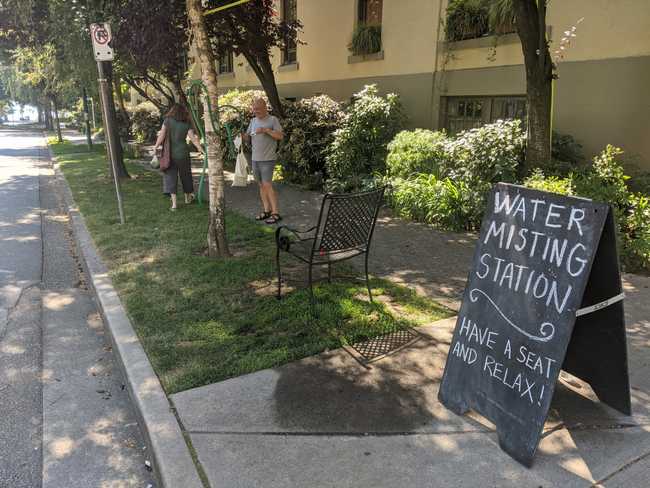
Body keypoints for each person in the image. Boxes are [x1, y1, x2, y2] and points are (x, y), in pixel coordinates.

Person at [242, 98, 284, 224]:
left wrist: (266, 130)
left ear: (265, 108)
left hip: (268, 159)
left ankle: (275, 213)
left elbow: (280, 136)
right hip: (255, 159)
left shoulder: (273, 120)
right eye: (254, 109)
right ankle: (267, 211)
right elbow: (247, 138)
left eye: (258, 109)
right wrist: (242, 136)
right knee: (260, 185)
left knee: (267, 185)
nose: (256, 111)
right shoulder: (253, 121)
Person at [154, 103, 203, 211]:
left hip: (170, 155)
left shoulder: (167, 121)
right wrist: (200, 148)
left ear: (173, 111)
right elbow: (193, 138)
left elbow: (161, 135)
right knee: (186, 176)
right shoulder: (186, 122)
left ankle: (174, 205)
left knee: (171, 177)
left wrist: (156, 146)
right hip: (183, 154)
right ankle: (187, 198)